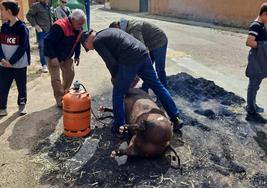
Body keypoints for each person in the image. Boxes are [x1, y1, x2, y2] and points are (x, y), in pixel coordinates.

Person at [81, 28, 183, 137]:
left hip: (130, 59)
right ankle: (175, 118)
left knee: (118, 93)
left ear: (86, 42)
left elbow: (110, 62)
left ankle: (119, 127)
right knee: (158, 86)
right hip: (143, 53)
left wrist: (116, 77)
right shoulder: (108, 31)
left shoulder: (97, 41)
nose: (91, 49)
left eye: (87, 48)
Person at [109, 19, 168, 93]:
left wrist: (134, 70)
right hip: (151, 44)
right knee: (148, 69)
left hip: (159, 41)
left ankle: (163, 95)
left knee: (159, 69)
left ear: (117, 27)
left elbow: (141, 48)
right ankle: (145, 88)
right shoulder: (126, 27)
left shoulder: (133, 28)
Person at [44, 9, 85, 108]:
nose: (81, 27)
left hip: (66, 56)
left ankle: (64, 93)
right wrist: (53, 57)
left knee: (70, 73)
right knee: (56, 79)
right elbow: (47, 42)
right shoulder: (59, 26)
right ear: (73, 19)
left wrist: (77, 56)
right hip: (53, 55)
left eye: (82, 24)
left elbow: (77, 42)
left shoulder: (78, 28)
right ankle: (60, 99)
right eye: (79, 24)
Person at [0, 0, 30, 116]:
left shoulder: (22, 28)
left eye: (2, 10)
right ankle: (2, 107)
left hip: (19, 64)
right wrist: (2, 59)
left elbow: (22, 47)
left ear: (8, 11)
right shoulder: (4, 27)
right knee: (3, 86)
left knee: (21, 86)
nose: (1, 12)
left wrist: (11, 62)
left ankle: (22, 105)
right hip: (4, 64)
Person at [245, 3, 267, 124]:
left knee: (256, 84)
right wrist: (262, 46)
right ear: (264, 14)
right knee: (253, 85)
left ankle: (252, 104)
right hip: (256, 61)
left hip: (260, 60)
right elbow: (249, 42)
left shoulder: (261, 24)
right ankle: (251, 111)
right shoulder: (256, 25)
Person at [26, 0, 52, 73]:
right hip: (42, 31)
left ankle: (49, 62)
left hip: (50, 30)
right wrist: (36, 25)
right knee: (42, 47)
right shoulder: (35, 6)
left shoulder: (48, 5)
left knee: (50, 46)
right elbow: (29, 16)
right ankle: (44, 64)